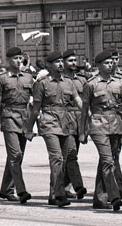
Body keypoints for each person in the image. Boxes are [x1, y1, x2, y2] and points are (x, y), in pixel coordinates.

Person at [29, 52, 83, 207]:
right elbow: (36, 108)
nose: (60, 64)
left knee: (67, 157)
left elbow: (78, 101)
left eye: (61, 61)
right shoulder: (42, 84)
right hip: (49, 122)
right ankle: (60, 194)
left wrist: (88, 116)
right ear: (49, 65)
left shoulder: (69, 83)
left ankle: (54, 194)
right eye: (56, 62)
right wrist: (29, 128)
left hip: (66, 123)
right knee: (57, 158)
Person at [80, 50, 122, 211]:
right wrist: (82, 131)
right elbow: (84, 109)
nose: (110, 65)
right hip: (98, 124)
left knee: (107, 161)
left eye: (111, 62)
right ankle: (114, 196)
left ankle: (100, 198)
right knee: (108, 161)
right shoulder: (91, 84)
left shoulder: (119, 82)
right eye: (107, 63)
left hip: (116, 124)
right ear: (98, 65)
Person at [0, 47, 33, 204]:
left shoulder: (28, 77)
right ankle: (21, 190)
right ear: (8, 60)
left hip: (24, 117)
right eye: (15, 58)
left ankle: (6, 190)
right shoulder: (1, 78)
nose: (19, 61)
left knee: (17, 156)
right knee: (16, 155)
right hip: (9, 117)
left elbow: (34, 101)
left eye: (20, 58)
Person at [61, 49, 88, 199]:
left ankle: (65, 187)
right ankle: (78, 186)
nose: (73, 63)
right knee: (71, 154)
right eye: (70, 61)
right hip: (65, 119)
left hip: (79, 120)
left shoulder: (82, 80)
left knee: (71, 154)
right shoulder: (60, 79)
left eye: (74, 60)